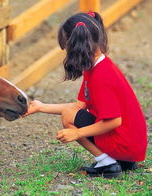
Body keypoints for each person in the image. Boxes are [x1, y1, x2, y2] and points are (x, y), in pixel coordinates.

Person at [23, 11, 147, 178]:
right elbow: (77, 107)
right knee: (70, 113)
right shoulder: (96, 66)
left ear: (76, 45)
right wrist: (40, 107)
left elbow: (115, 121)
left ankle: (108, 164)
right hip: (129, 143)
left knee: (68, 116)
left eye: (66, 47)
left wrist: (77, 133)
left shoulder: (101, 76)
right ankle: (121, 161)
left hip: (125, 144)